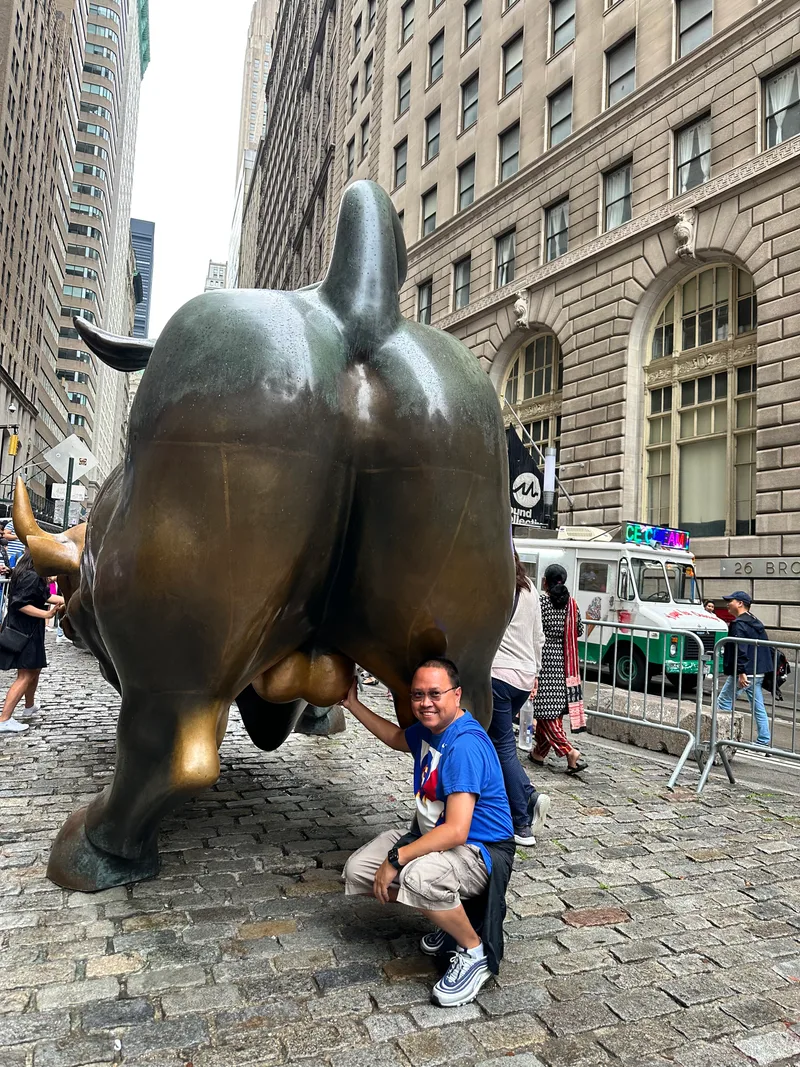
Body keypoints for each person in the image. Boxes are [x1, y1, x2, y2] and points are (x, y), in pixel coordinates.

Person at [341, 658, 515, 1007]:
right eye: (417, 695)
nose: (425, 703)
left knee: (416, 878)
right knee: (358, 871)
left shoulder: (464, 744)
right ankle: (449, 917)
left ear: (457, 694)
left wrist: (397, 858)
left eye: (435, 693)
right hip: (434, 838)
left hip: (478, 850)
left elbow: (456, 830)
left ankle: (473, 950)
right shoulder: (430, 728)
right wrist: (352, 703)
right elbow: (394, 737)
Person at [490, 550, 550, 846]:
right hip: (524, 677)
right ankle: (527, 796)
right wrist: (535, 672)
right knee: (494, 743)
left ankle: (522, 822)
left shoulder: (494, 584)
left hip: (498, 675)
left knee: (503, 748)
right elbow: (539, 637)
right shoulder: (529, 586)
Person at [529, 563, 588, 774]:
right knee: (552, 711)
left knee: (545, 712)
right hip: (565, 661)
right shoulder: (572, 604)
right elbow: (579, 630)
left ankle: (570, 751)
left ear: (545, 581)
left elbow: (533, 628)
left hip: (544, 659)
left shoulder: (541, 602)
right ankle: (539, 752)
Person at [0, 550, 64, 733]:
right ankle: (4, 719)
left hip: (30, 631)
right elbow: (20, 604)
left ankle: (29, 706)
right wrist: (47, 614)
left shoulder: (31, 574)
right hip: (24, 631)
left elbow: (44, 597)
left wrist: (70, 599)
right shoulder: (31, 576)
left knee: (34, 669)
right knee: (25, 675)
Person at [716, 591, 773, 749]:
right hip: (757, 670)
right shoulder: (755, 621)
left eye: (731, 601)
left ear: (740, 603)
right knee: (757, 705)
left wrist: (741, 672)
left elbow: (740, 649)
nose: (727, 603)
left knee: (723, 701)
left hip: (744, 672)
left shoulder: (739, 624)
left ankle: (724, 739)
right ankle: (763, 740)